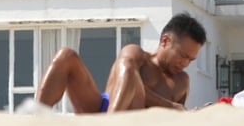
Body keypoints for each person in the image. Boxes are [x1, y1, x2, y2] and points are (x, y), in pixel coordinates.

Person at [25, 12, 207, 114]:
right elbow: (175, 109)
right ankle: (35, 117)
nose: (185, 63)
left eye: (190, 59)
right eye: (182, 55)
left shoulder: (181, 82)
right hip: (104, 107)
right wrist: (173, 106)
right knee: (66, 55)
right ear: (165, 41)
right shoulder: (138, 55)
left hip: (133, 125)